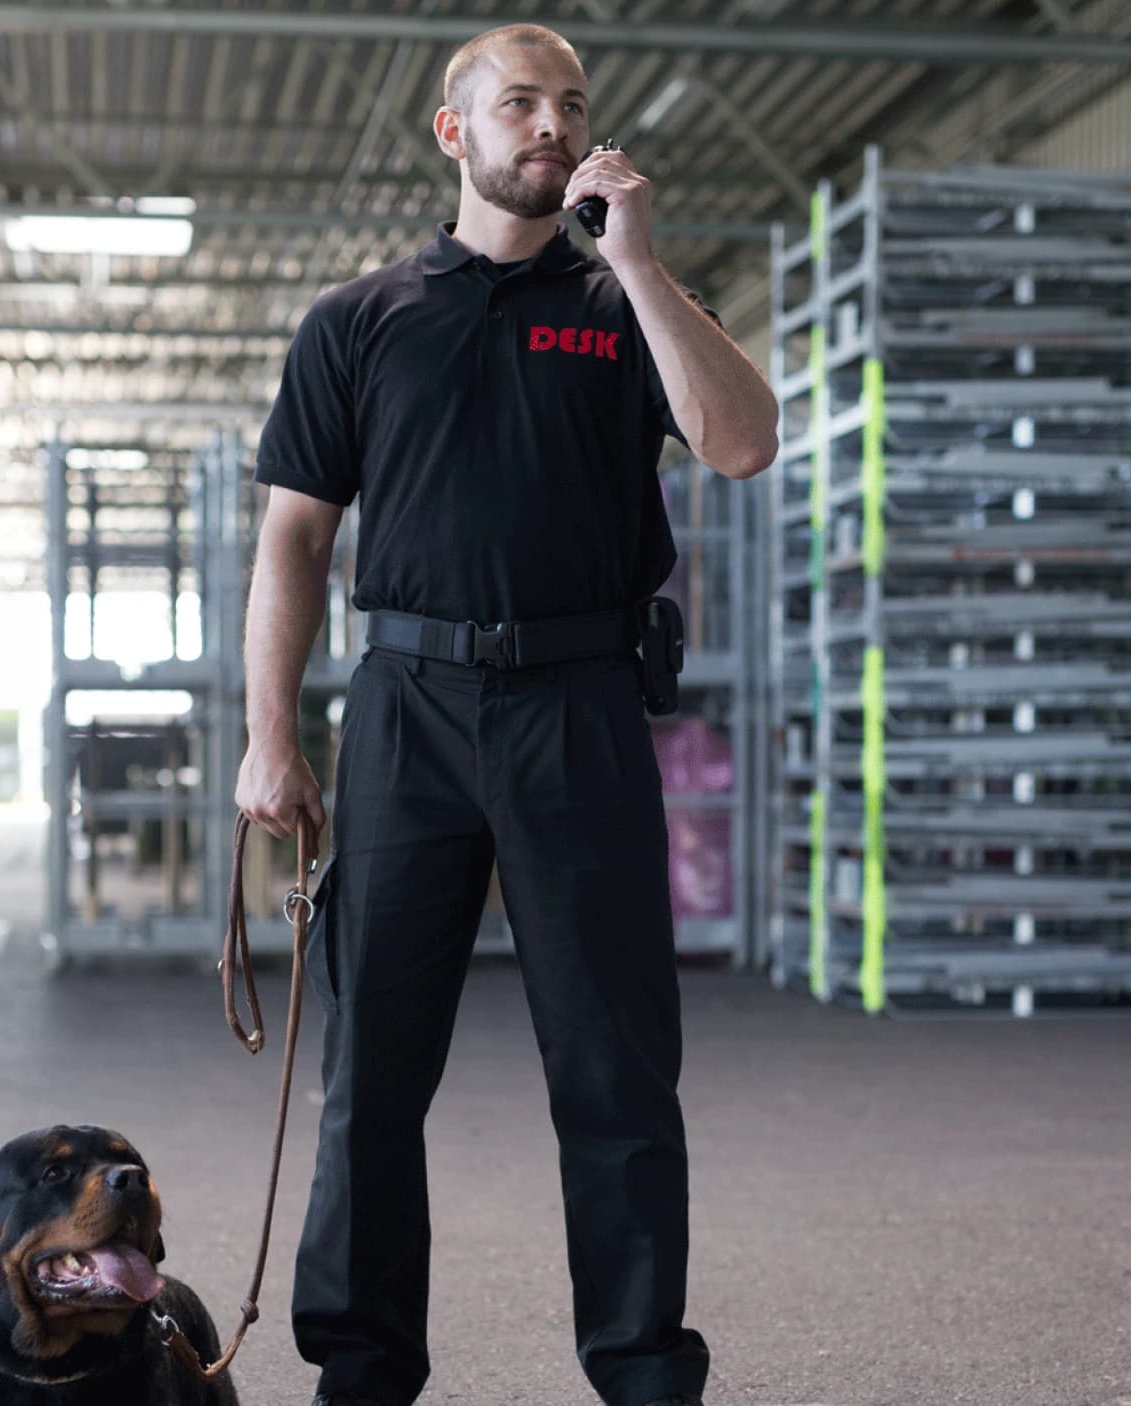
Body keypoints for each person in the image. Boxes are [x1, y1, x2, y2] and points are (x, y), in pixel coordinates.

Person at [234, 22, 778, 1406]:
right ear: (452, 132)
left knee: (614, 1070)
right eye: (519, 103)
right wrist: (272, 735)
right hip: (407, 710)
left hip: (579, 705)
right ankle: (360, 1369)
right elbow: (293, 541)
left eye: (572, 106)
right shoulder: (357, 322)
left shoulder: (619, 312)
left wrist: (639, 260)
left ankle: (644, 1368)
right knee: (372, 1075)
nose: (550, 123)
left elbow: (740, 441)